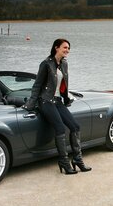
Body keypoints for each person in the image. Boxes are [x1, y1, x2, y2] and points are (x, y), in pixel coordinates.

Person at [22, 38, 91, 175]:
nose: (67, 50)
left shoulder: (64, 64)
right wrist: (30, 104)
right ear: (56, 48)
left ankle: (77, 159)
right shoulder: (46, 64)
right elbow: (36, 86)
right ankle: (64, 162)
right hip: (46, 101)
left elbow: (63, 86)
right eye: (65, 47)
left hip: (58, 101)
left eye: (68, 48)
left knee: (75, 127)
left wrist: (66, 98)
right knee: (59, 128)